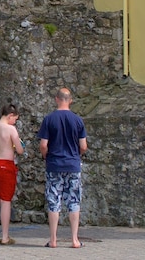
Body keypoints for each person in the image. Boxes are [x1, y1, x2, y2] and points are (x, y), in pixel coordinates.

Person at [38, 87, 88, 248]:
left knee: (54, 201)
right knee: (73, 201)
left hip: (54, 164)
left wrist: (46, 155)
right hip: (72, 164)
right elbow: (84, 146)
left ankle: (53, 240)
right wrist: (76, 155)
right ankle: (74, 239)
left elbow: (43, 145)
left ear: (56, 99)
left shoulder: (49, 119)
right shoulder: (78, 120)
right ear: (70, 100)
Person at [0, 104, 25, 245]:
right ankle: (5, 236)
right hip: (6, 164)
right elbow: (20, 150)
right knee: (6, 200)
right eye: (15, 119)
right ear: (10, 116)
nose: (15, 122)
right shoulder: (11, 129)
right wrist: (17, 143)